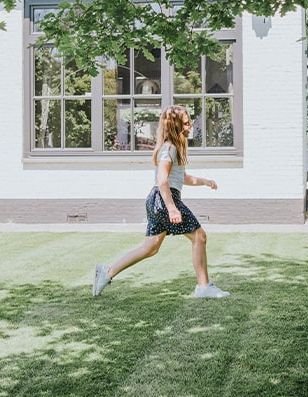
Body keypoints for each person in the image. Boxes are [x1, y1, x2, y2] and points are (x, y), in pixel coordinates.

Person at [92, 105, 230, 299]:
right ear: (175, 126)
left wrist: (204, 181)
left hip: (158, 199)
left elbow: (181, 177)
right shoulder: (169, 148)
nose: (190, 125)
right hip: (165, 199)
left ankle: (106, 273)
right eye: (186, 123)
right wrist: (172, 208)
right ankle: (203, 287)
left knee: (150, 248)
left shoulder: (174, 147)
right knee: (199, 236)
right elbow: (162, 180)